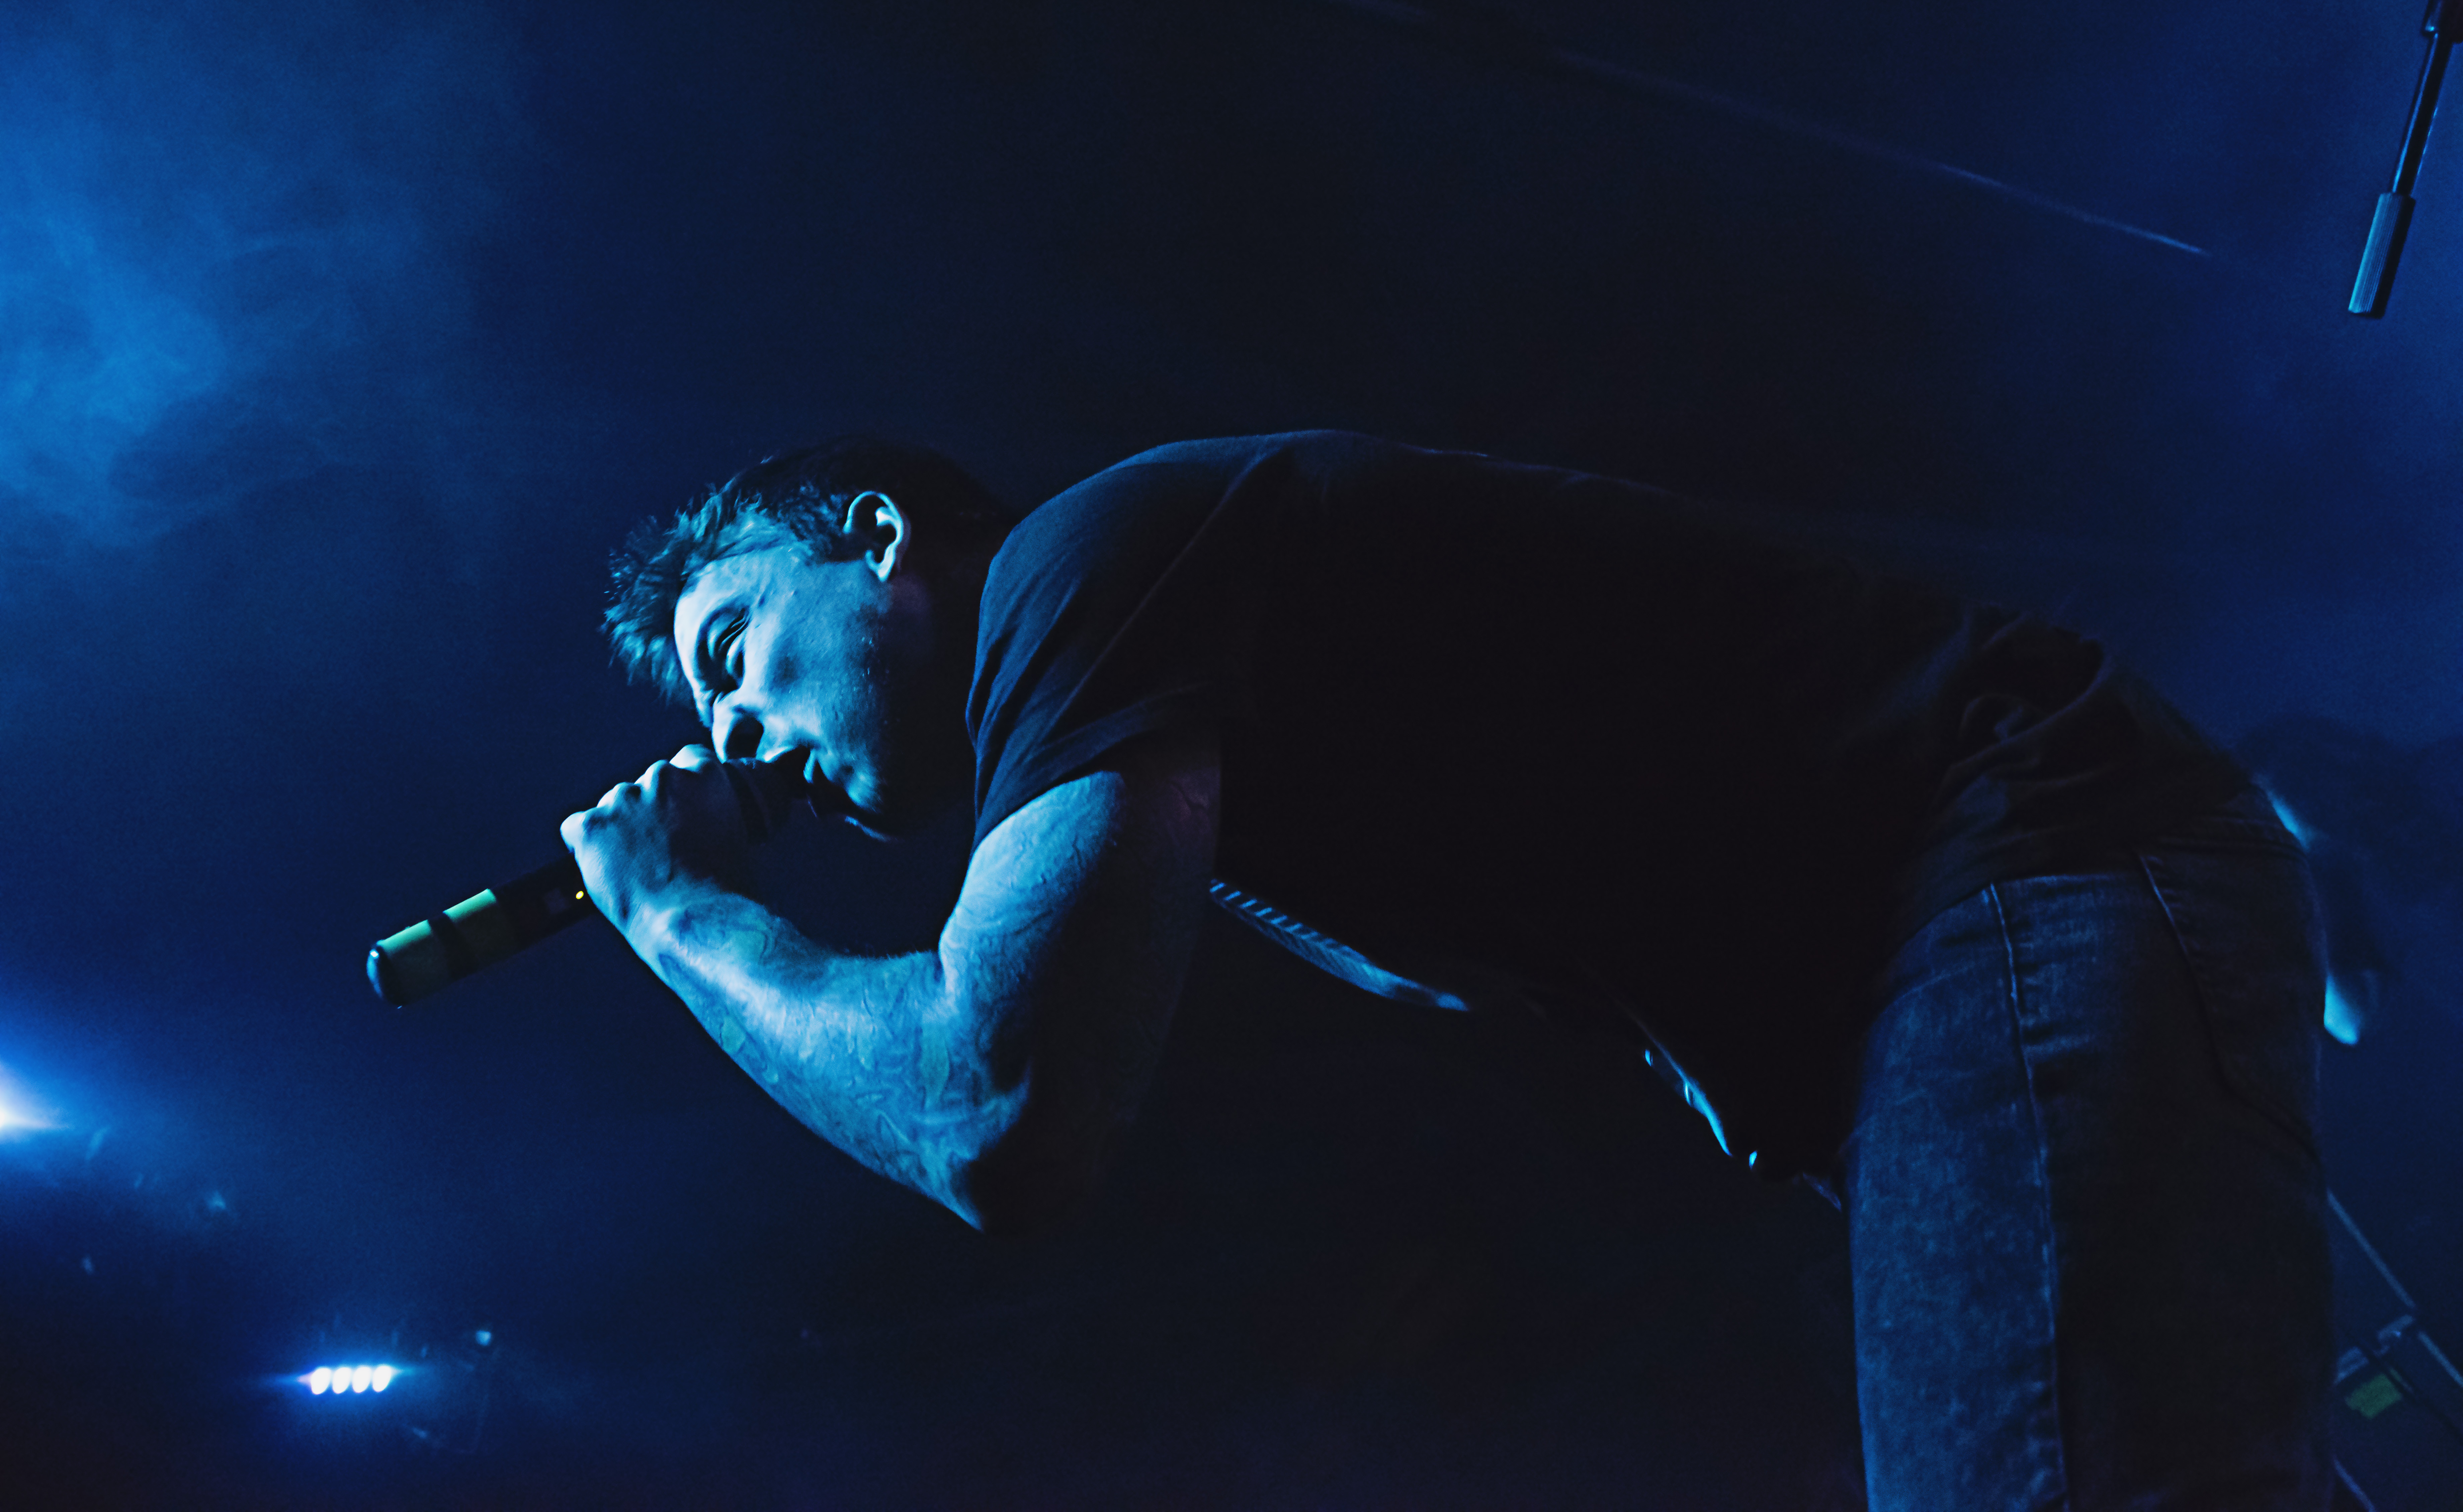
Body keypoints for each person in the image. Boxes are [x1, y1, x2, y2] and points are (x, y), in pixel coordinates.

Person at [563, 429, 2332, 1509]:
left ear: (879, 540)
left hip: (2017, 863)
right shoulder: (1177, 732)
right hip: (2000, 930)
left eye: (734, 649)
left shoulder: (1077, 567)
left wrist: (677, 915)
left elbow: (994, 1114)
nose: (729, 741)